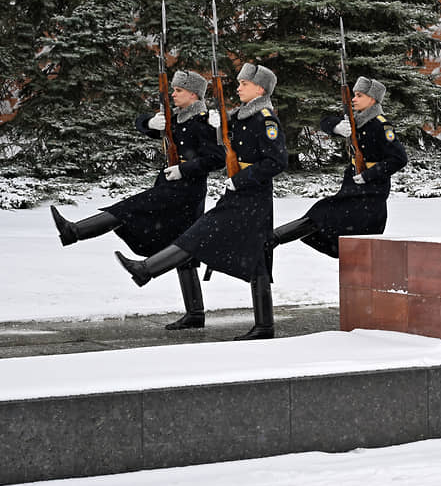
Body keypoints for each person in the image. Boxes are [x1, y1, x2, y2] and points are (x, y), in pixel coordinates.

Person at [115, 63, 287, 341]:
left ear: (260, 89)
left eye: (244, 84)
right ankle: (264, 326)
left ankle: (147, 269)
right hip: (239, 196)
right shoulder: (242, 117)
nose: (238, 87)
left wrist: (241, 179)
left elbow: (277, 161)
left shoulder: (266, 119)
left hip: (252, 197)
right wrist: (221, 125)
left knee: (203, 234)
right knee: (254, 258)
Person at [50, 70, 225, 330]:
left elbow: (217, 159)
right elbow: (141, 123)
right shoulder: (176, 118)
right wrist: (149, 123)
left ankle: (75, 231)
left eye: (178, 90)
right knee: (183, 249)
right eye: (173, 89)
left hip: (186, 191)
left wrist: (184, 169)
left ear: (193, 94)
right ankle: (195, 313)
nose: (173, 94)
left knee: (129, 208)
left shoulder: (203, 122)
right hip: (171, 186)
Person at [271, 76, 407, 257]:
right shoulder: (355, 120)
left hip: (372, 191)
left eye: (359, 95)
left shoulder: (381, 126)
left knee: (347, 228)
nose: (354, 99)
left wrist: (369, 175)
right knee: (323, 214)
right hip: (352, 184)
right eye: (354, 95)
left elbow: (399, 158)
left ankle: (272, 239)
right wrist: (336, 128)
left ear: (372, 99)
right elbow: (324, 120)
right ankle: (272, 239)